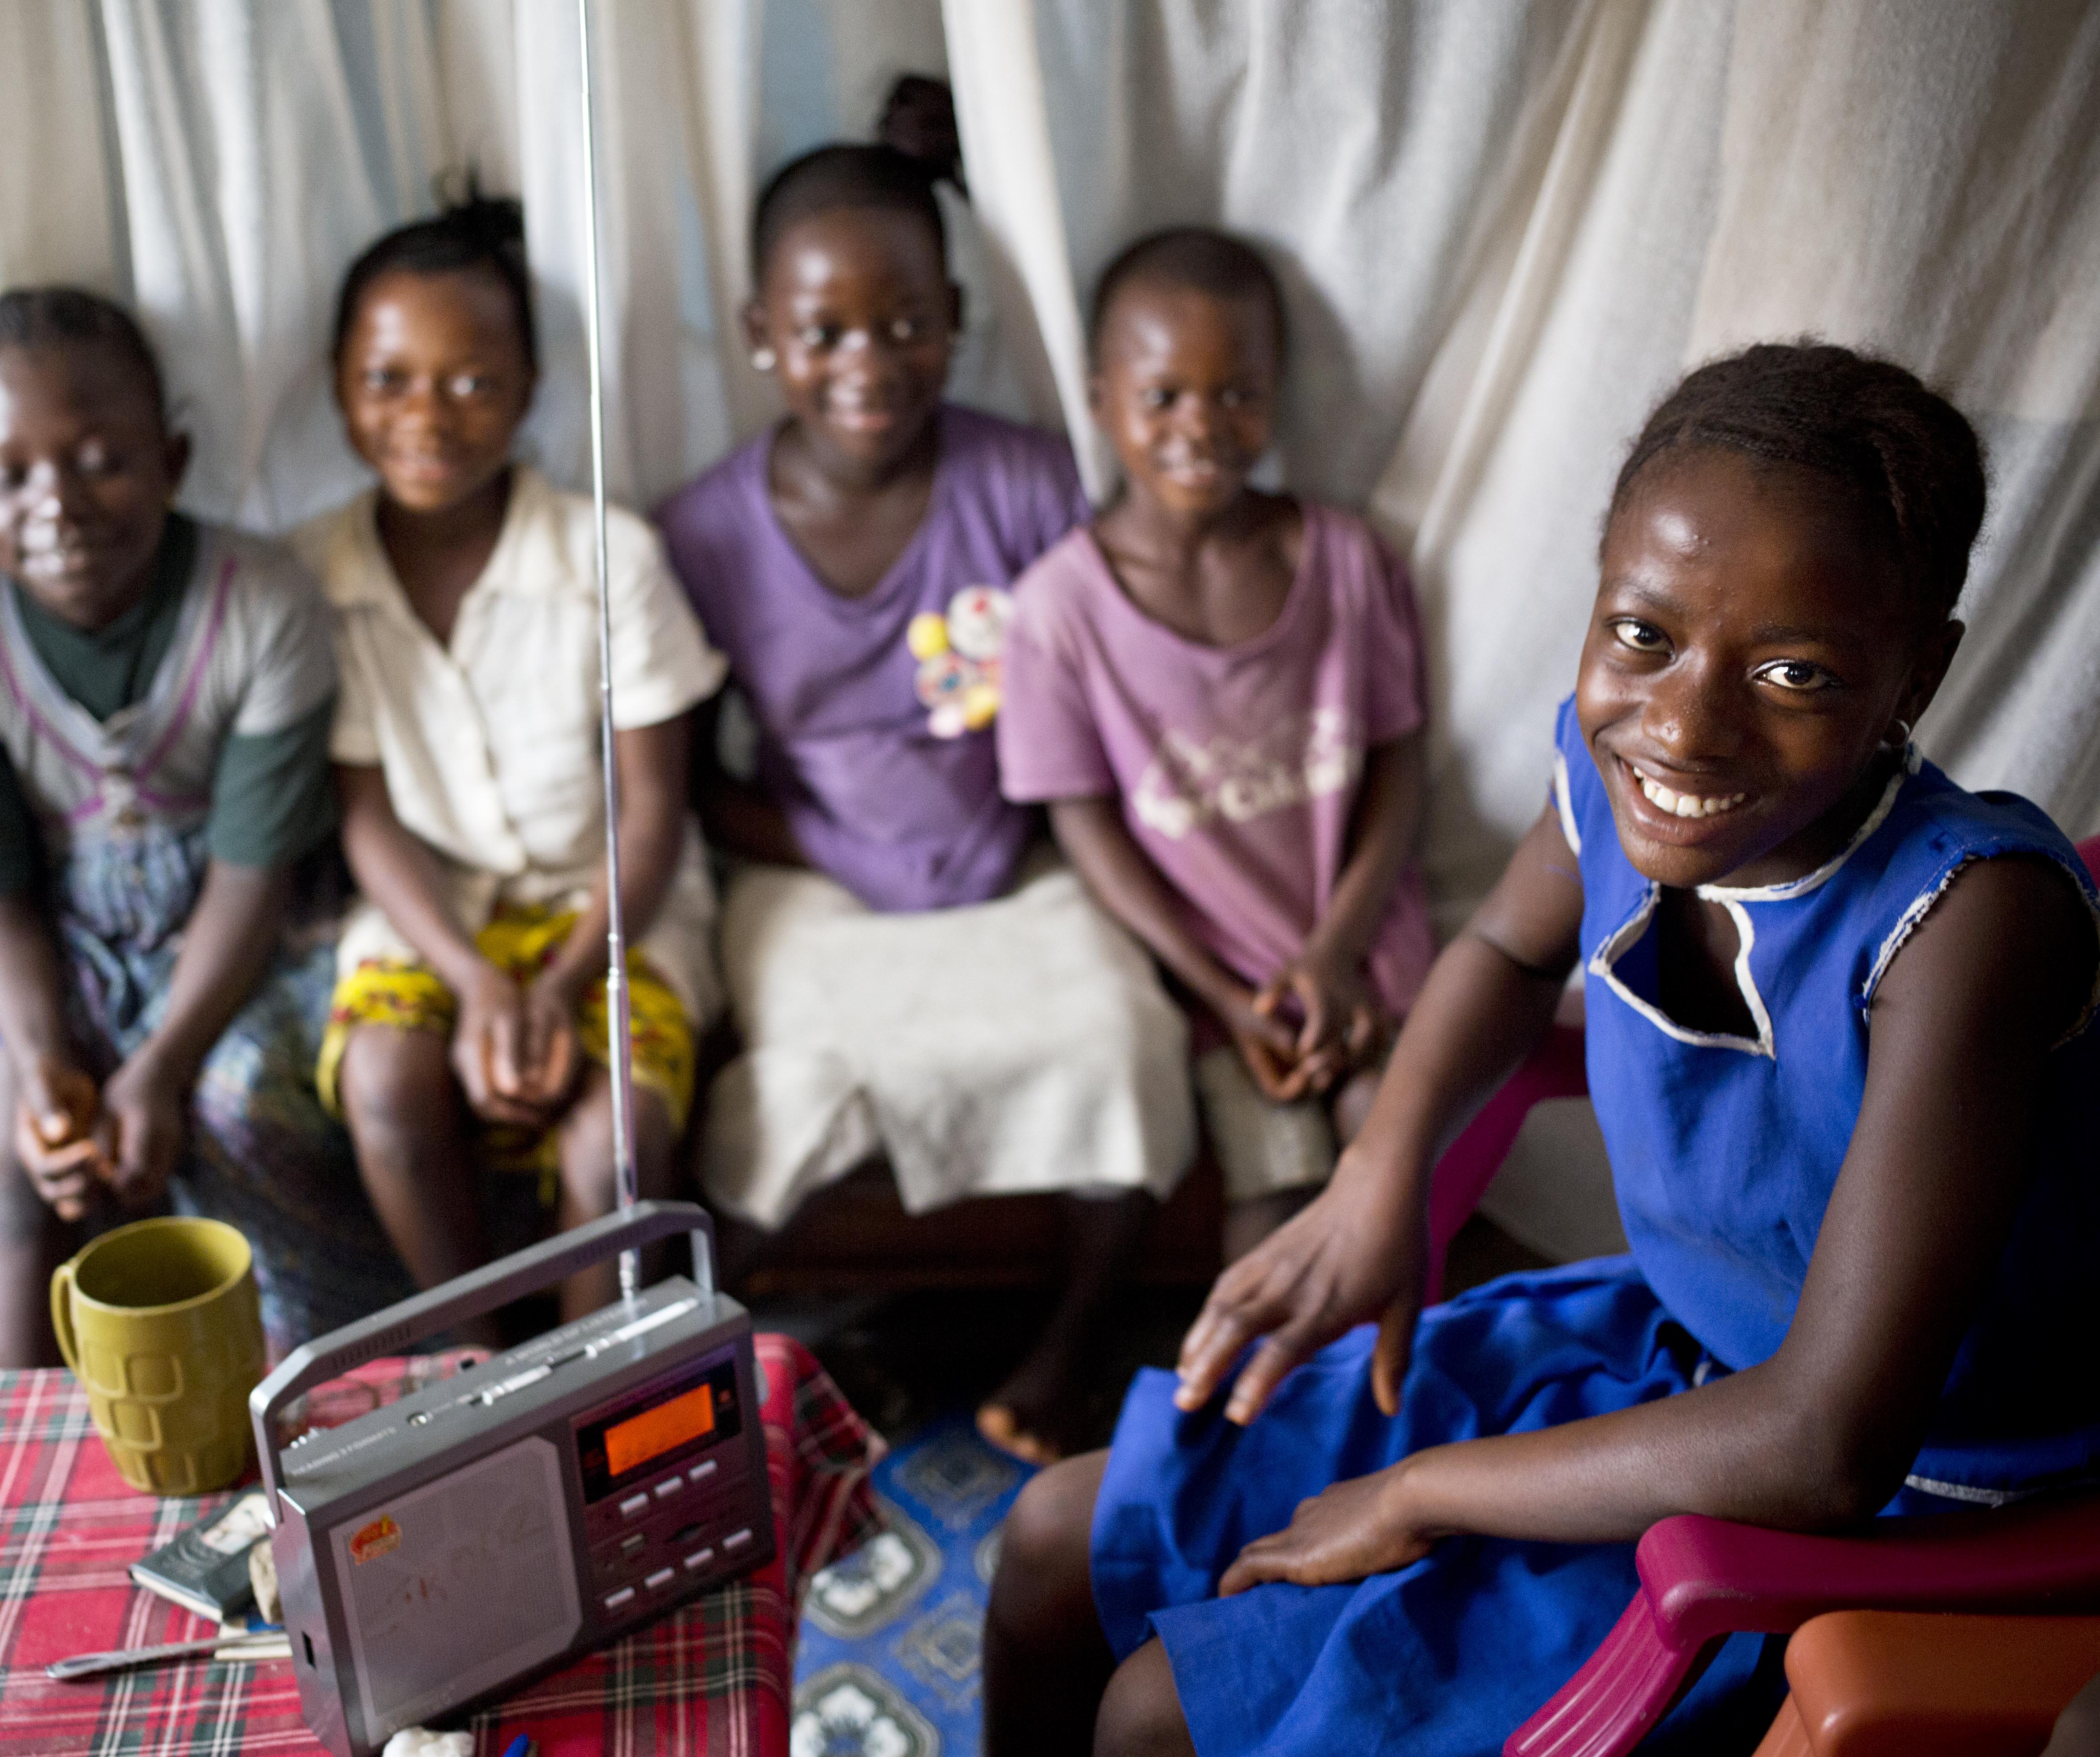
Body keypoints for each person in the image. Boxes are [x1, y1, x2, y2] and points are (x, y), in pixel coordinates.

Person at [983, 343, 2100, 1756]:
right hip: (1672, 1350)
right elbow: (1508, 953)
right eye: (1644, 633)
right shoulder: (1605, 756)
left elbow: (1827, 1443)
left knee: (1156, 1720)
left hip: (1896, 1488)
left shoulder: (1968, 922)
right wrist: (1378, 1178)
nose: (1687, 724)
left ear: (1916, 677)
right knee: (1045, 1542)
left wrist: (1422, 1493)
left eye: (1796, 670)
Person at [654, 142, 1196, 1466]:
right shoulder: (704, 531)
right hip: (815, 872)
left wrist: (1019, 827)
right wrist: (827, 844)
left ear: (955, 322)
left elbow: (1096, 703)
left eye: (906, 324)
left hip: (1021, 853)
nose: (870, 361)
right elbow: (687, 778)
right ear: (761, 339)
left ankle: (1069, 1348)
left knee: (1125, 1043)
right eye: (825, 331)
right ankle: (734, 1370)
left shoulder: (1024, 486)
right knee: (783, 1103)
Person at [0, 288, 368, 1364]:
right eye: (9, 478)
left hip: (243, 946)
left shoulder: (261, 603)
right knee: (18, 1141)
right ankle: (4, 1457)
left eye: (101, 459)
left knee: (239, 1100)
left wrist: (160, 1064)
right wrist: (46, 1055)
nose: (57, 505)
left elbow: (256, 877)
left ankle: (321, 1412)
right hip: (48, 957)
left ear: (175, 458)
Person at [294, 197, 728, 1320]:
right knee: (386, 1083)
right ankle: (469, 1364)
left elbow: (653, 812)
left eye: (473, 381)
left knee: (612, 1148)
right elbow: (366, 814)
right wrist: (477, 979)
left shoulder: (610, 558)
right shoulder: (316, 574)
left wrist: (560, 979)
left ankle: (582, 1399)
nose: (428, 417)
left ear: (532, 388)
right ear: (339, 385)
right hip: (429, 909)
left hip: (614, 908)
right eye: (389, 379)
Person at [999, 228, 1434, 1265]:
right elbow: (1084, 825)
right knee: (1272, 1199)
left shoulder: (1346, 560)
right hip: (1218, 991)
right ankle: (1245, 1417)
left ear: (1277, 392)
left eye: (1237, 393)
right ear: (1102, 399)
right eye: (1163, 398)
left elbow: (1399, 766)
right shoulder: (1058, 610)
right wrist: (1225, 995)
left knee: (1388, 1164)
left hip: (1368, 954)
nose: (1202, 427)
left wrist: (1337, 953)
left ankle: (1396, 1414)